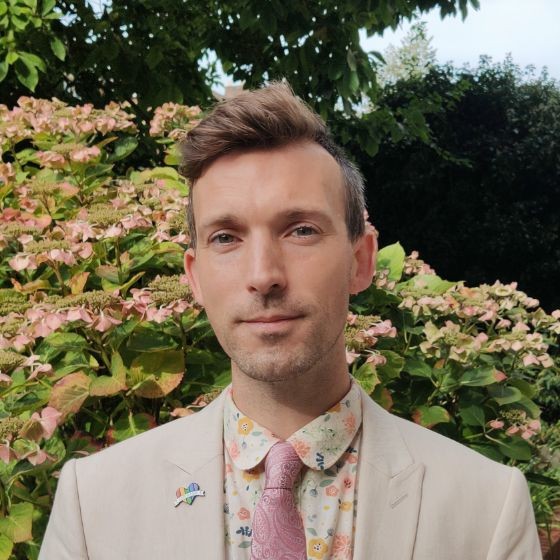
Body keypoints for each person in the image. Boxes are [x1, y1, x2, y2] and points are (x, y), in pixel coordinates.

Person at [40, 82, 541, 560]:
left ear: (361, 260)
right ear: (194, 278)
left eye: (301, 230)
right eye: (226, 238)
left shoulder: (488, 507)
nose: (264, 276)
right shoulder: (94, 502)